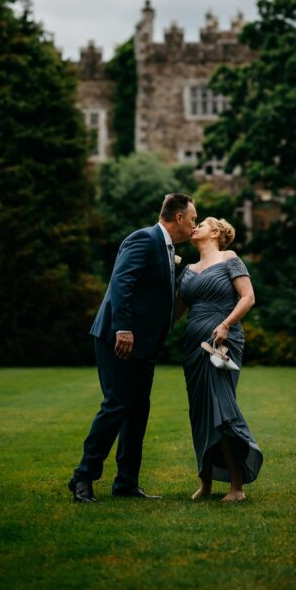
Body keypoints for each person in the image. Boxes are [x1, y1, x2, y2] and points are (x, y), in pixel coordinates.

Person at [68, 192, 197, 502]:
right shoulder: (144, 238)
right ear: (178, 217)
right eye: (192, 219)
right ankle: (83, 476)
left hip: (144, 345)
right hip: (119, 339)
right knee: (116, 405)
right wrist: (123, 328)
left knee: (138, 410)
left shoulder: (168, 250)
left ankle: (126, 482)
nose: (194, 225)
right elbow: (121, 282)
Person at [178, 216, 263, 501]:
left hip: (223, 342)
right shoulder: (187, 270)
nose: (195, 226)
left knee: (222, 410)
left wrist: (226, 324)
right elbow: (174, 312)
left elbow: (248, 297)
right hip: (194, 345)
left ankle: (237, 487)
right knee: (200, 412)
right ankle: (206, 484)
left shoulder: (230, 258)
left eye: (201, 224)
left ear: (215, 232)